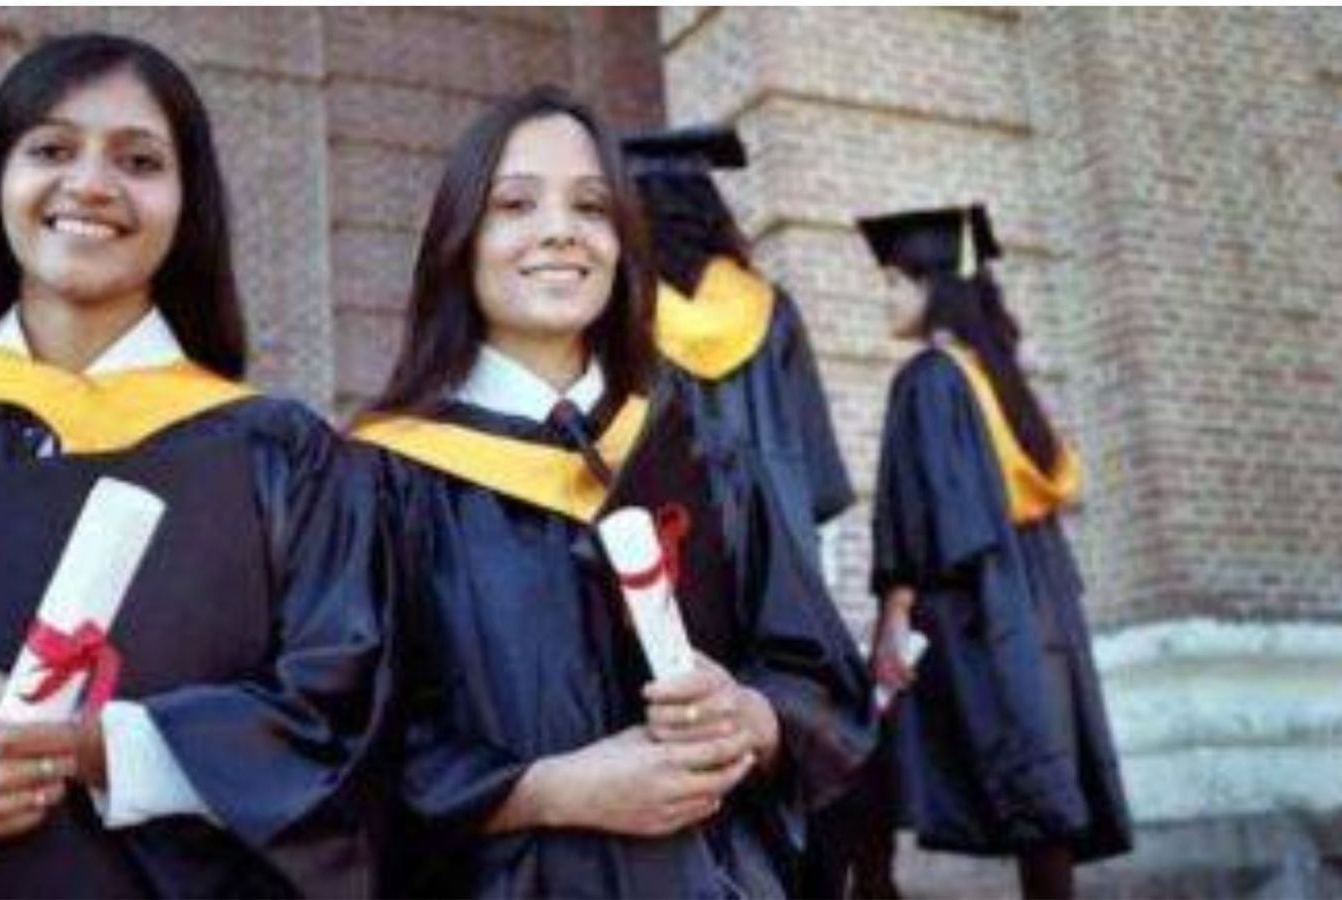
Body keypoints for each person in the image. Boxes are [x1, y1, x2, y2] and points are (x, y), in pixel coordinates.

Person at [0, 33, 392, 898]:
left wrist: (84, 742)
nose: (90, 183)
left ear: (188, 204)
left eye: (139, 160)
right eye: (50, 150)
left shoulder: (282, 460)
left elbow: (349, 732)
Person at [352, 85, 868, 898]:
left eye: (592, 206)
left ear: (624, 244)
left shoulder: (710, 460)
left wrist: (753, 719)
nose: (561, 229)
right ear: (459, 240)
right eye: (515, 204)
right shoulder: (380, 479)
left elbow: (819, 676)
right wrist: (549, 792)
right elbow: (343, 736)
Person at [622, 124, 875, 897]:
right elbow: (819, 470)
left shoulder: (630, 309)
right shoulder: (770, 308)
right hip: (783, 555)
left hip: (680, 551)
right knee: (779, 711)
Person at [851, 204, 1132, 899]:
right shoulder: (999, 378)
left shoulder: (929, 378)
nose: (885, 299)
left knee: (864, 749)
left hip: (964, 603)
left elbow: (925, 508)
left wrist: (895, 611)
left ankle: (872, 890)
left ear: (934, 286)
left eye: (894, 283)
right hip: (1036, 596)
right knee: (1037, 768)